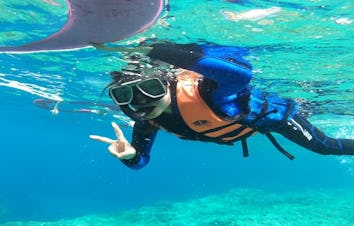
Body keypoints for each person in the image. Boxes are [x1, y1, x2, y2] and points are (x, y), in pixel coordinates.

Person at [89, 41, 354, 170]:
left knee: (326, 147)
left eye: (151, 88)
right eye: (125, 96)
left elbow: (241, 75)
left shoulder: (207, 93)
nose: (142, 102)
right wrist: (129, 156)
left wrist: (156, 51)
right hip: (239, 125)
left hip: (271, 118)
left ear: (167, 82)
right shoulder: (147, 122)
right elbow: (141, 163)